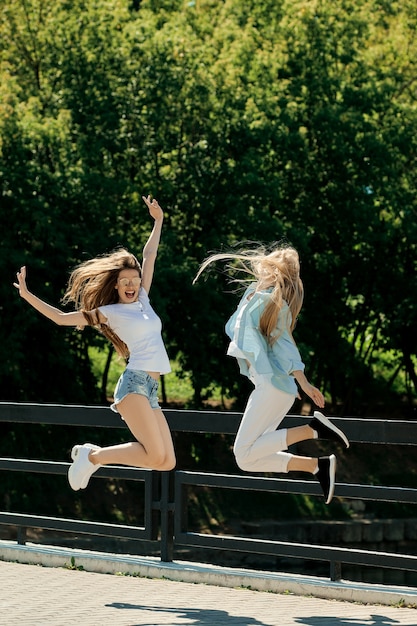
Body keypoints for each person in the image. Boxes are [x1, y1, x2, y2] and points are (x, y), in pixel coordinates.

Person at [13, 195, 176, 491]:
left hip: (150, 387)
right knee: (155, 454)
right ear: (116, 284)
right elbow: (62, 318)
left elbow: (149, 255)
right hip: (134, 385)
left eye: (135, 280)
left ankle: (93, 455)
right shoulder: (110, 313)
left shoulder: (143, 301)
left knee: (166, 462)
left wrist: (159, 221)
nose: (131, 285)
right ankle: (93, 456)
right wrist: (27, 295)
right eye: (125, 281)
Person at [194, 244, 349, 504]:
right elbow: (235, 328)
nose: (258, 271)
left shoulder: (273, 303)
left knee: (243, 452)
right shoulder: (257, 298)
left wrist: (304, 382)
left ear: (273, 272)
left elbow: (285, 345)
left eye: (264, 268)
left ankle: (313, 428)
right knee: (246, 458)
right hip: (273, 388)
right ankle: (316, 466)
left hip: (271, 387)